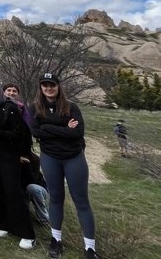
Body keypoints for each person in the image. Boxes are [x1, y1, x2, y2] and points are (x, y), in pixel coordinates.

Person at [30, 73, 98, 259]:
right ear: (41, 87)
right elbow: (35, 131)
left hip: (73, 158)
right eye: (45, 85)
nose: (48, 88)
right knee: (56, 198)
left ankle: (90, 247)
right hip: (50, 158)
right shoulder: (35, 108)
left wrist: (47, 128)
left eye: (52, 84)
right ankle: (56, 240)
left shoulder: (71, 107)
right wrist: (64, 129)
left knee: (81, 201)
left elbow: (78, 133)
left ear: (58, 86)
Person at [0, 80, 36, 249]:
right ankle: (3, 224)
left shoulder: (10, 108)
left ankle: (27, 234)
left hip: (9, 156)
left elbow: (20, 134)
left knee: (13, 192)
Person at [20, 150, 50, 225]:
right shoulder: (12, 158)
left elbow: (32, 180)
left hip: (38, 188)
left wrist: (27, 164)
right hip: (22, 189)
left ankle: (44, 218)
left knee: (32, 188)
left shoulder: (35, 159)